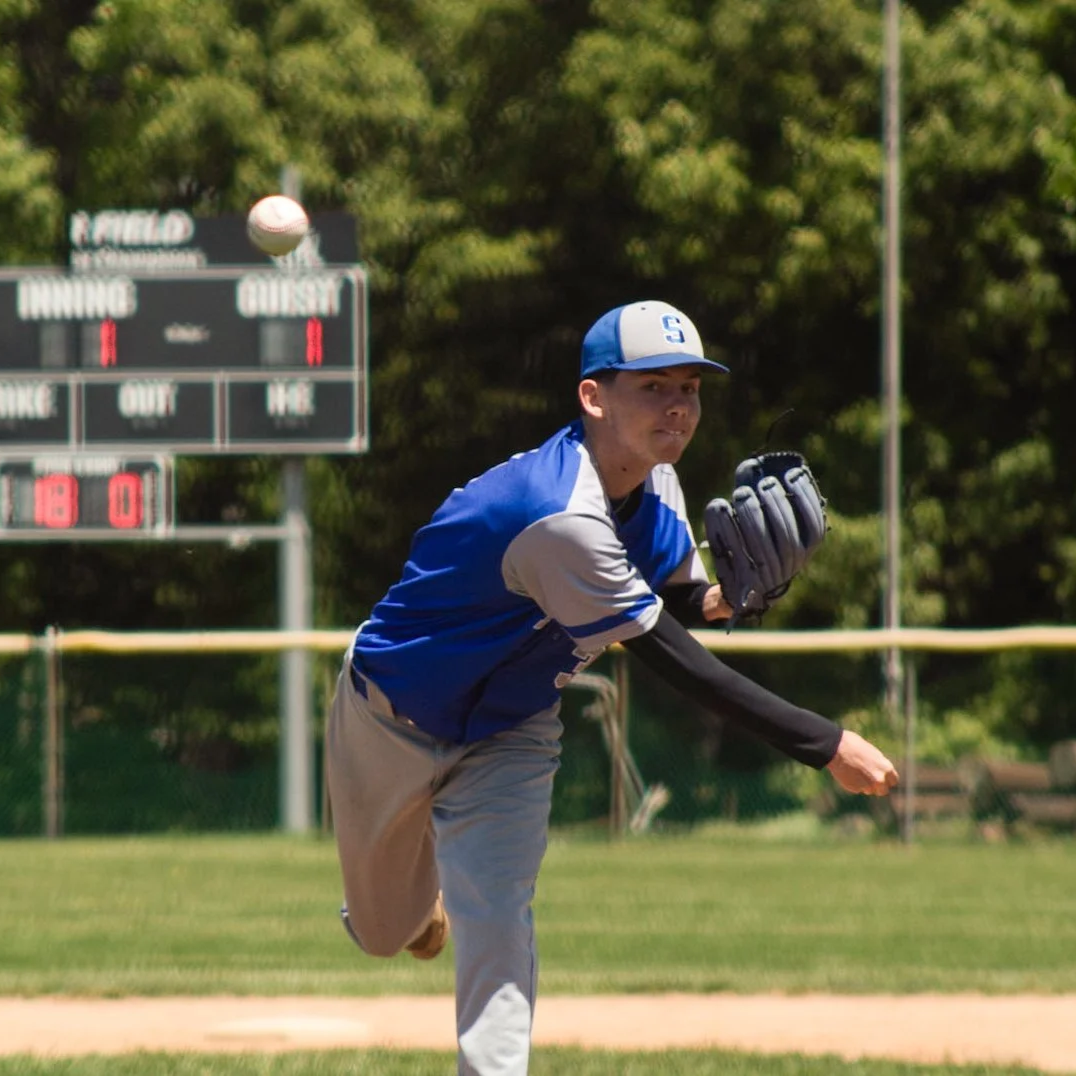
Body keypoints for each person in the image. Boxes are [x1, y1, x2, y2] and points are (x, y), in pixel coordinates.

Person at [325, 299, 899, 1075]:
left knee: (496, 916)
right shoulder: (558, 513)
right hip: (389, 716)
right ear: (594, 397)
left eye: (690, 388)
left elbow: (679, 595)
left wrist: (733, 598)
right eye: (653, 386)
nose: (678, 406)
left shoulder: (658, 484)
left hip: (512, 730)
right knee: (384, 933)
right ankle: (410, 905)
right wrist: (824, 743)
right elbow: (665, 651)